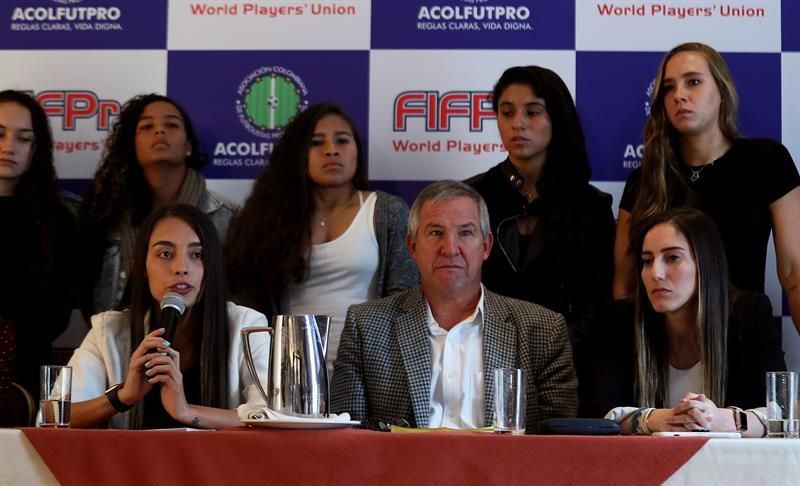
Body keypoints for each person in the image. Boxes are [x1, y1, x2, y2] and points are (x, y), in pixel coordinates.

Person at [331, 180, 577, 431]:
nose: (450, 249)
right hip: (401, 458)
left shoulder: (543, 331)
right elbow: (347, 437)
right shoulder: (366, 327)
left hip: (504, 459)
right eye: (436, 233)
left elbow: (560, 444)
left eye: (466, 233)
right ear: (412, 246)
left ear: (486, 246)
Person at [613, 42, 800, 332]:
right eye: (669, 88)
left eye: (693, 82)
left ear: (722, 91)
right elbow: (625, 285)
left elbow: (793, 271)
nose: (679, 95)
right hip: (662, 345)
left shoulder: (767, 160)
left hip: (740, 336)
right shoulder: (644, 179)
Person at [226, 103, 418, 376]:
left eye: (342, 140)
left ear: (357, 151)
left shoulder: (387, 211)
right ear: (298, 154)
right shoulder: (268, 218)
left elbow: (404, 298)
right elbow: (249, 304)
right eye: (316, 142)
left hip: (367, 371)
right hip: (288, 373)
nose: (331, 150)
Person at [582, 208, 785, 436]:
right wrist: (654, 419)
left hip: (730, 458)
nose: (656, 273)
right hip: (643, 459)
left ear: (705, 263)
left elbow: (781, 411)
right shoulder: (619, 319)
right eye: (647, 261)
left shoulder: (749, 314)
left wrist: (727, 420)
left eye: (672, 258)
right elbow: (596, 413)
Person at [68, 204, 269, 429]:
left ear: (212, 266)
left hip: (216, 454)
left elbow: (273, 416)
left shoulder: (247, 326)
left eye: (197, 255)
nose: (181, 268)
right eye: (165, 254)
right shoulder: (109, 331)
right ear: (142, 267)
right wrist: (123, 396)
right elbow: (55, 417)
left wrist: (187, 412)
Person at [466, 66, 615, 345]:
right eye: (507, 113)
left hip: (567, 356)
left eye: (532, 112)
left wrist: (554, 348)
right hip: (481, 351)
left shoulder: (592, 205)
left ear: (557, 116)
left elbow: (597, 302)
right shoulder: (470, 198)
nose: (517, 123)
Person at [78, 93, 238, 318]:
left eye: (171, 125)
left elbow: (240, 297)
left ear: (188, 146)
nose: (160, 130)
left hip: (206, 336)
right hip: (120, 335)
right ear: (132, 145)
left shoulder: (226, 216)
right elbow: (88, 295)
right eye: (146, 126)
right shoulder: (105, 214)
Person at [0, 90, 76, 412]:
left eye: (24, 138)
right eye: (0, 134)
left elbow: (57, 315)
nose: (9, 146)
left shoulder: (58, 222)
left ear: (36, 149)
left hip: (27, 382)